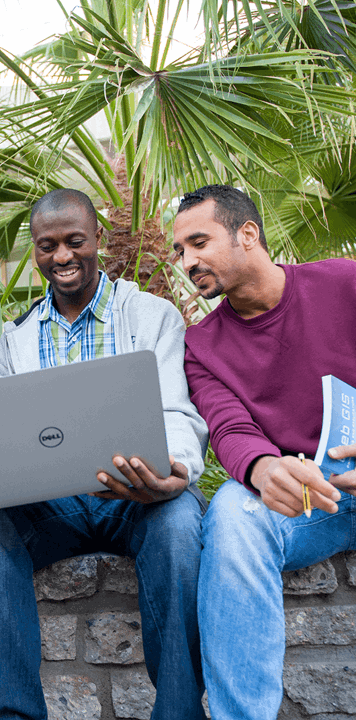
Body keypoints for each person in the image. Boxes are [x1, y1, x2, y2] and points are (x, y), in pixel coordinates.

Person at [0, 188, 209, 720]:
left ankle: (180, 712)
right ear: (35, 250)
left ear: (98, 238)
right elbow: (1, 434)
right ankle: (10, 714)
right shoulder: (15, 337)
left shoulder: (153, 316)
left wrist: (175, 472)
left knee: (182, 522)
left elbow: (178, 413)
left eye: (75, 241)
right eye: (47, 246)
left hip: (134, 496)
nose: (62, 256)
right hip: (56, 504)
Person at [173, 183, 356, 720]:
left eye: (199, 242)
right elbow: (228, 426)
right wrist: (261, 466)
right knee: (233, 510)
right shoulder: (201, 346)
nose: (188, 261)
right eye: (180, 251)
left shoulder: (344, 283)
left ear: (247, 233)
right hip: (304, 504)